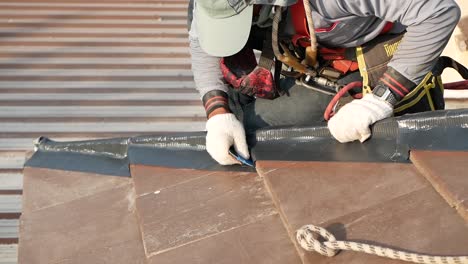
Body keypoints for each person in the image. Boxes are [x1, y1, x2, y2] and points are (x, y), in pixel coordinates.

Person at [188, 0, 461, 165]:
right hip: (309, 58)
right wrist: (216, 112)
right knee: (233, 109)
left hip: (365, 66)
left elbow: (439, 12)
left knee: (255, 130)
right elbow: (201, 42)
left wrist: (380, 100)